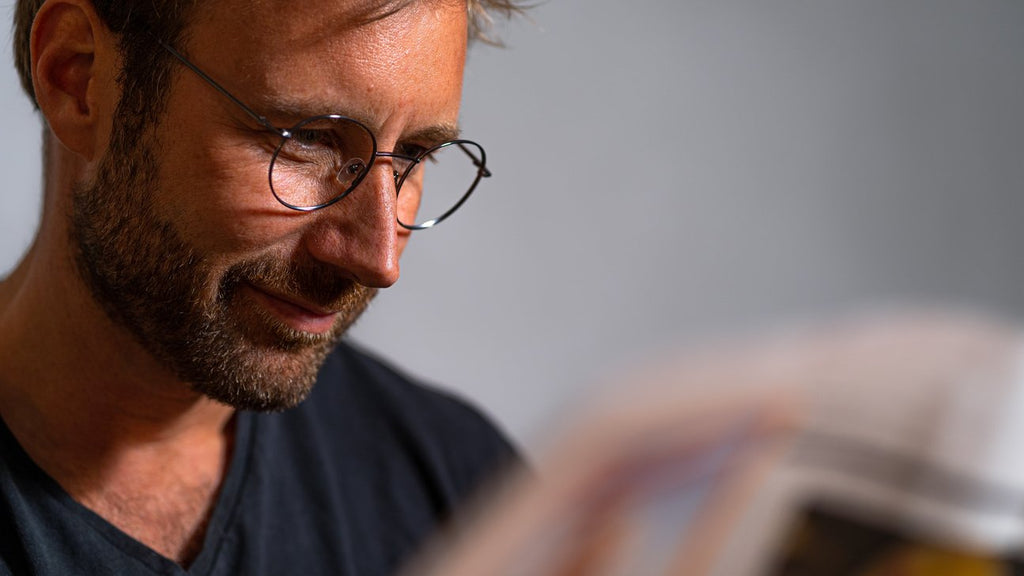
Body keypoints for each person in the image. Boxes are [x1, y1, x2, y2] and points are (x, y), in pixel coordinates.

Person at [0, 0, 525, 573]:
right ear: (77, 76)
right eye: (310, 138)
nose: (379, 259)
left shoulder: (467, 496)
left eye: (415, 154)